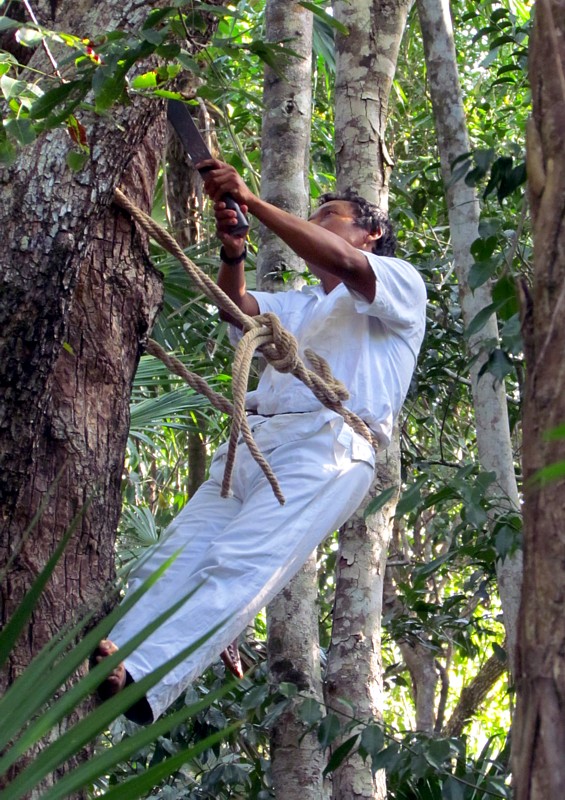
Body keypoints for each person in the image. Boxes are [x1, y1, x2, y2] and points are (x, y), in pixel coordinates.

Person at [93, 160, 427, 724]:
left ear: (371, 233)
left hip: (330, 442)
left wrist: (253, 198)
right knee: (175, 553)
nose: (316, 225)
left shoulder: (397, 282)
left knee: (241, 561)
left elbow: (343, 260)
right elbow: (238, 307)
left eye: (330, 217)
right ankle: (115, 653)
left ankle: (148, 676)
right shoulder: (302, 304)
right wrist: (233, 253)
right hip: (259, 437)